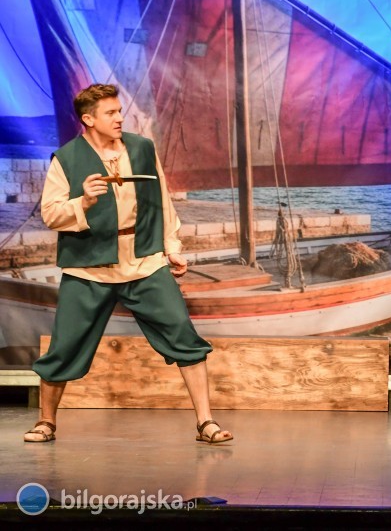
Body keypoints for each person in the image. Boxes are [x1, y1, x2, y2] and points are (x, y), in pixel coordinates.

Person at [23, 84, 233, 445]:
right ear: (89, 119)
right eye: (111, 113)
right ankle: (46, 422)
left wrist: (171, 247)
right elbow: (51, 214)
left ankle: (206, 422)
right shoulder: (67, 159)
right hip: (89, 267)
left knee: (183, 336)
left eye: (119, 111)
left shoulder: (141, 148)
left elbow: (161, 201)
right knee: (64, 348)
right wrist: (83, 202)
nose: (120, 118)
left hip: (144, 261)